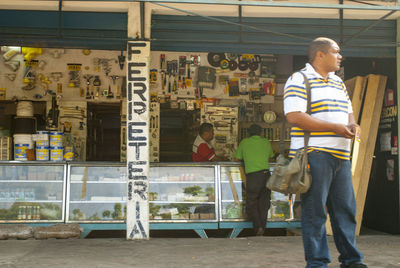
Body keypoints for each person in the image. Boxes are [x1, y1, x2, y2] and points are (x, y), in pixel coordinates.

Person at [283, 37, 366, 268]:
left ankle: (352, 261)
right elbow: (295, 116)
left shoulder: (339, 83)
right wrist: (336, 128)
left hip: (341, 156)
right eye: (336, 52)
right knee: (315, 212)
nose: (340, 56)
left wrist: (352, 126)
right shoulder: (299, 79)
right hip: (314, 154)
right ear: (320, 54)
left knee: (345, 211)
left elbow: (349, 114)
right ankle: (318, 263)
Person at [234, 123, 274, 236]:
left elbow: (236, 159)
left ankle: (257, 228)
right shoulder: (266, 142)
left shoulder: (244, 143)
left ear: (248, 134)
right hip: (266, 175)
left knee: (251, 203)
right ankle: (263, 227)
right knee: (264, 203)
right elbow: (270, 157)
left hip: (253, 177)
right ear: (261, 133)